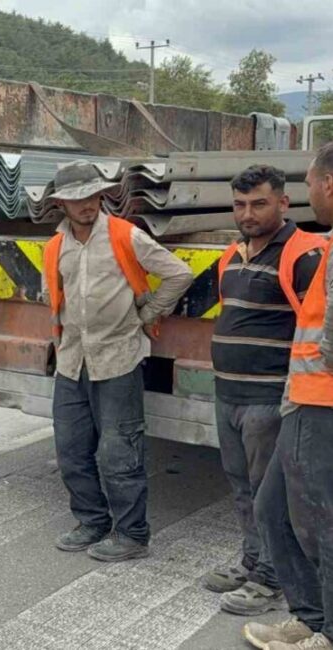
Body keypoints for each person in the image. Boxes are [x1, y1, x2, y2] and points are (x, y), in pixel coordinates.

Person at [42, 160, 193, 562]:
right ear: (61, 204)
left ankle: (132, 534)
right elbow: (56, 299)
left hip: (119, 358)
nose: (87, 205)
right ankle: (91, 521)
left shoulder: (126, 236)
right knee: (71, 449)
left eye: (93, 196)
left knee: (119, 451)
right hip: (72, 361)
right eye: (77, 199)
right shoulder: (55, 246)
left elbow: (178, 274)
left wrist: (147, 315)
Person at [202, 165, 324, 616]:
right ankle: (253, 562)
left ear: (283, 203)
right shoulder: (231, 255)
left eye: (258, 203)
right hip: (228, 393)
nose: (247, 214)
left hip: (269, 398)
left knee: (270, 494)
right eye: (239, 205)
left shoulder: (303, 255)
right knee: (240, 486)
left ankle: (271, 580)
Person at [244, 143, 333, 650]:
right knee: (272, 509)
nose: (309, 196)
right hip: (304, 400)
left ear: (329, 183)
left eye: (309, 185)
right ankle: (311, 615)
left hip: (322, 402)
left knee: (319, 522)